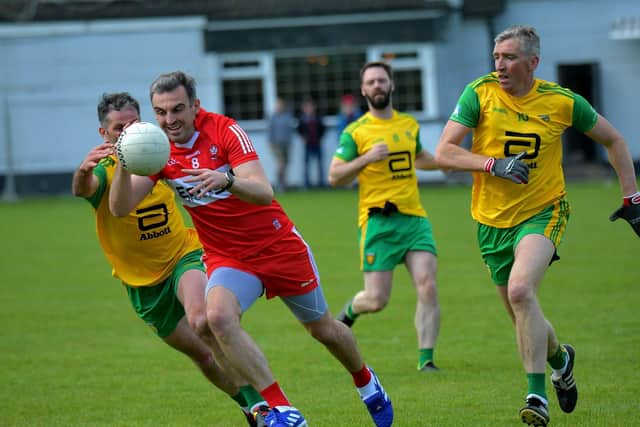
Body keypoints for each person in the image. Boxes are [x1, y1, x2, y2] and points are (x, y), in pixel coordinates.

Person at [108, 71, 394, 427]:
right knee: (217, 318)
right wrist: (124, 160)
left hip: (277, 247)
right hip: (229, 257)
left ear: (196, 106)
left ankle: (366, 382)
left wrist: (226, 180)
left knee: (324, 331)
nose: (170, 120)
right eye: (161, 112)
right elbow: (120, 208)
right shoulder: (157, 150)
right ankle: (282, 409)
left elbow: (264, 191)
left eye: (178, 109)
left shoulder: (225, 131)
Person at [434, 25, 640, 427]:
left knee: (520, 289)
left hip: (544, 210)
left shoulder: (562, 101)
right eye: (496, 57)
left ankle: (535, 396)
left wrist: (631, 197)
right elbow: (444, 152)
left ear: (533, 63)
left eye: (509, 58)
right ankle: (561, 360)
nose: (500, 65)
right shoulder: (479, 93)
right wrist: (492, 164)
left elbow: (614, 141)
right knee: (522, 315)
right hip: (490, 220)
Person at [71, 92, 268, 426]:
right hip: (142, 284)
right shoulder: (104, 171)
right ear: (104, 134)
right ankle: (247, 405)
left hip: (183, 256)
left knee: (201, 320)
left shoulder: (159, 154)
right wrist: (83, 170)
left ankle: (265, 405)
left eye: (133, 123)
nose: (128, 132)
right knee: (203, 356)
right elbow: (84, 188)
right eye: (119, 128)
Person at [328, 61, 442, 373]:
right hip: (378, 222)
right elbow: (335, 176)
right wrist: (366, 158)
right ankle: (351, 310)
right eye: (371, 82)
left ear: (391, 85)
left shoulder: (408, 125)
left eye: (382, 80)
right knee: (376, 300)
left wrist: (453, 163)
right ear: (364, 90)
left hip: (414, 218)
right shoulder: (356, 132)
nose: (377, 86)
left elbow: (422, 158)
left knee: (428, 285)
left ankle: (426, 360)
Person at [297, 97, 326, 188]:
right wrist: (303, 138)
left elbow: (323, 129)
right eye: (307, 107)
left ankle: (321, 183)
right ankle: (306, 184)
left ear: (314, 107)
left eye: (310, 106)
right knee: (306, 164)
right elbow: (299, 130)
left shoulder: (318, 117)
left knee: (320, 164)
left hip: (317, 143)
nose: (309, 109)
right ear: (304, 108)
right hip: (307, 145)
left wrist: (319, 137)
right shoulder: (302, 119)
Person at [267, 97, 296, 192]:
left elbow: (290, 131)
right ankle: (280, 184)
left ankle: (284, 184)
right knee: (281, 163)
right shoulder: (273, 118)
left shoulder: (287, 116)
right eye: (277, 105)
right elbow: (270, 132)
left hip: (286, 144)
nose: (279, 107)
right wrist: (270, 144)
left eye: (280, 105)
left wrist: (291, 143)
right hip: (276, 145)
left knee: (285, 164)